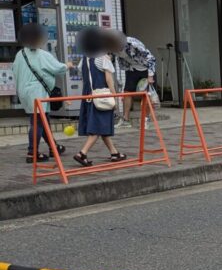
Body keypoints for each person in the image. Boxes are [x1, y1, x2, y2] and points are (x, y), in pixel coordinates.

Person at [14, 22, 68, 163]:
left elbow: (15, 71)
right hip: (37, 92)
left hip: (24, 92)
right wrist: (68, 65)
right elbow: (59, 69)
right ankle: (32, 153)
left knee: (43, 120)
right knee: (38, 122)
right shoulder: (42, 54)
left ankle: (53, 147)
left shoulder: (20, 54)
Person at [74, 27, 125, 166]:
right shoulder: (103, 58)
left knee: (101, 125)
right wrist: (115, 96)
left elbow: (82, 76)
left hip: (89, 97)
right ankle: (82, 153)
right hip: (102, 96)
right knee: (97, 127)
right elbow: (109, 80)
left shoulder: (84, 59)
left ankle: (114, 153)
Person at [103, 30, 155, 129]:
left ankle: (145, 120)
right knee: (127, 92)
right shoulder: (112, 48)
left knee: (146, 95)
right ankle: (125, 120)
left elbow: (151, 58)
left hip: (145, 69)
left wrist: (150, 75)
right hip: (131, 69)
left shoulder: (132, 43)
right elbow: (110, 58)